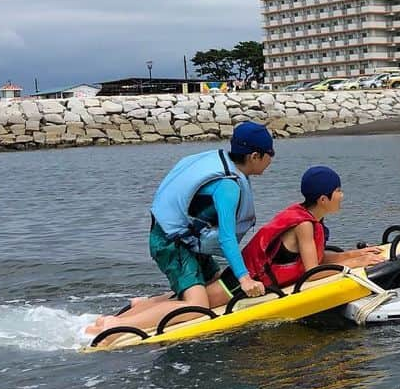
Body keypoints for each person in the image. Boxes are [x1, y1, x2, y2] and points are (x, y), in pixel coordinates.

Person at [85, 122, 274, 335]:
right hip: (173, 244)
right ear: (255, 156)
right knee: (198, 307)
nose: (272, 159)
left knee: (213, 286)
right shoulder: (228, 186)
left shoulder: (222, 165)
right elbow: (226, 237)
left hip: (182, 238)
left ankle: (141, 307)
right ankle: (115, 327)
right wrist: (244, 278)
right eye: (270, 153)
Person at [238, 165, 386, 288]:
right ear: (323, 199)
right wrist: (356, 263)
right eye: (338, 191)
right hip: (238, 286)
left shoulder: (311, 216)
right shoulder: (304, 225)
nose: (342, 195)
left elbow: (316, 260)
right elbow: (312, 273)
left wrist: (355, 254)